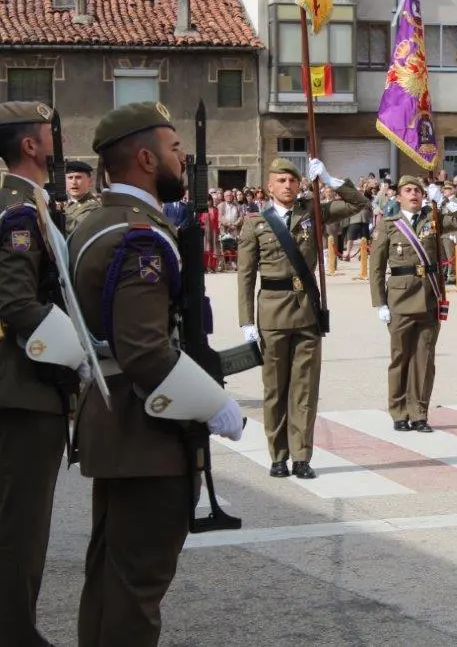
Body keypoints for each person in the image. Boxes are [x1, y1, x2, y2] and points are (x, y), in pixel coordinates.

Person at [69, 101, 245, 646]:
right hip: (143, 431)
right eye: (174, 150)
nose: (182, 157)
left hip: (114, 421)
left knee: (111, 577)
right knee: (137, 585)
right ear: (145, 158)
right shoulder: (138, 234)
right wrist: (213, 403)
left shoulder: (99, 221)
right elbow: (145, 349)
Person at [0, 101, 88, 646]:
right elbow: (16, 300)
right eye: (48, 135)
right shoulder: (18, 210)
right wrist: (72, 352)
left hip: (22, 388)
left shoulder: (29, 203)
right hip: (23, 389)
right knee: (21, 527)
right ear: (31, 146)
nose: (56, 144)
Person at [237, 158, 369, 479]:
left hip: (307, 312)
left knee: (305, 389)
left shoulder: (312, 212)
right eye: (281, 180)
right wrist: (247, 321)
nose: (287, 186)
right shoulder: (256, 222)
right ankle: (278, 455)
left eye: (293, 181)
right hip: (271, 313)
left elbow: (359, 203)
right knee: (275, 390)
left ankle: (301, 456)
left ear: (300, 185)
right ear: (269, 185)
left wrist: (329, 178)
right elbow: (245, 274)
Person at [370, 175, 457, 433]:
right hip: (400, 298)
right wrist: (379, 302)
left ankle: (419, 413)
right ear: (399, 196)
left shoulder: (433, 220)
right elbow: (376, 266)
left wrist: (447, 200)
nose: (414, 194)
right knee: (400, 358)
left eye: (418, 190)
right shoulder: (389, 224)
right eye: (408, 190)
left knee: (424, 359)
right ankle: (399, 411)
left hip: (429, 297)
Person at [65, 159, 101, 233]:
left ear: (90, 182)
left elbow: (80, 229)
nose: (74, 182)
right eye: (70, 178)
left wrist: (55, 216)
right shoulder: (67, 205)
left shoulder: (94, 206)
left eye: (78, 177)